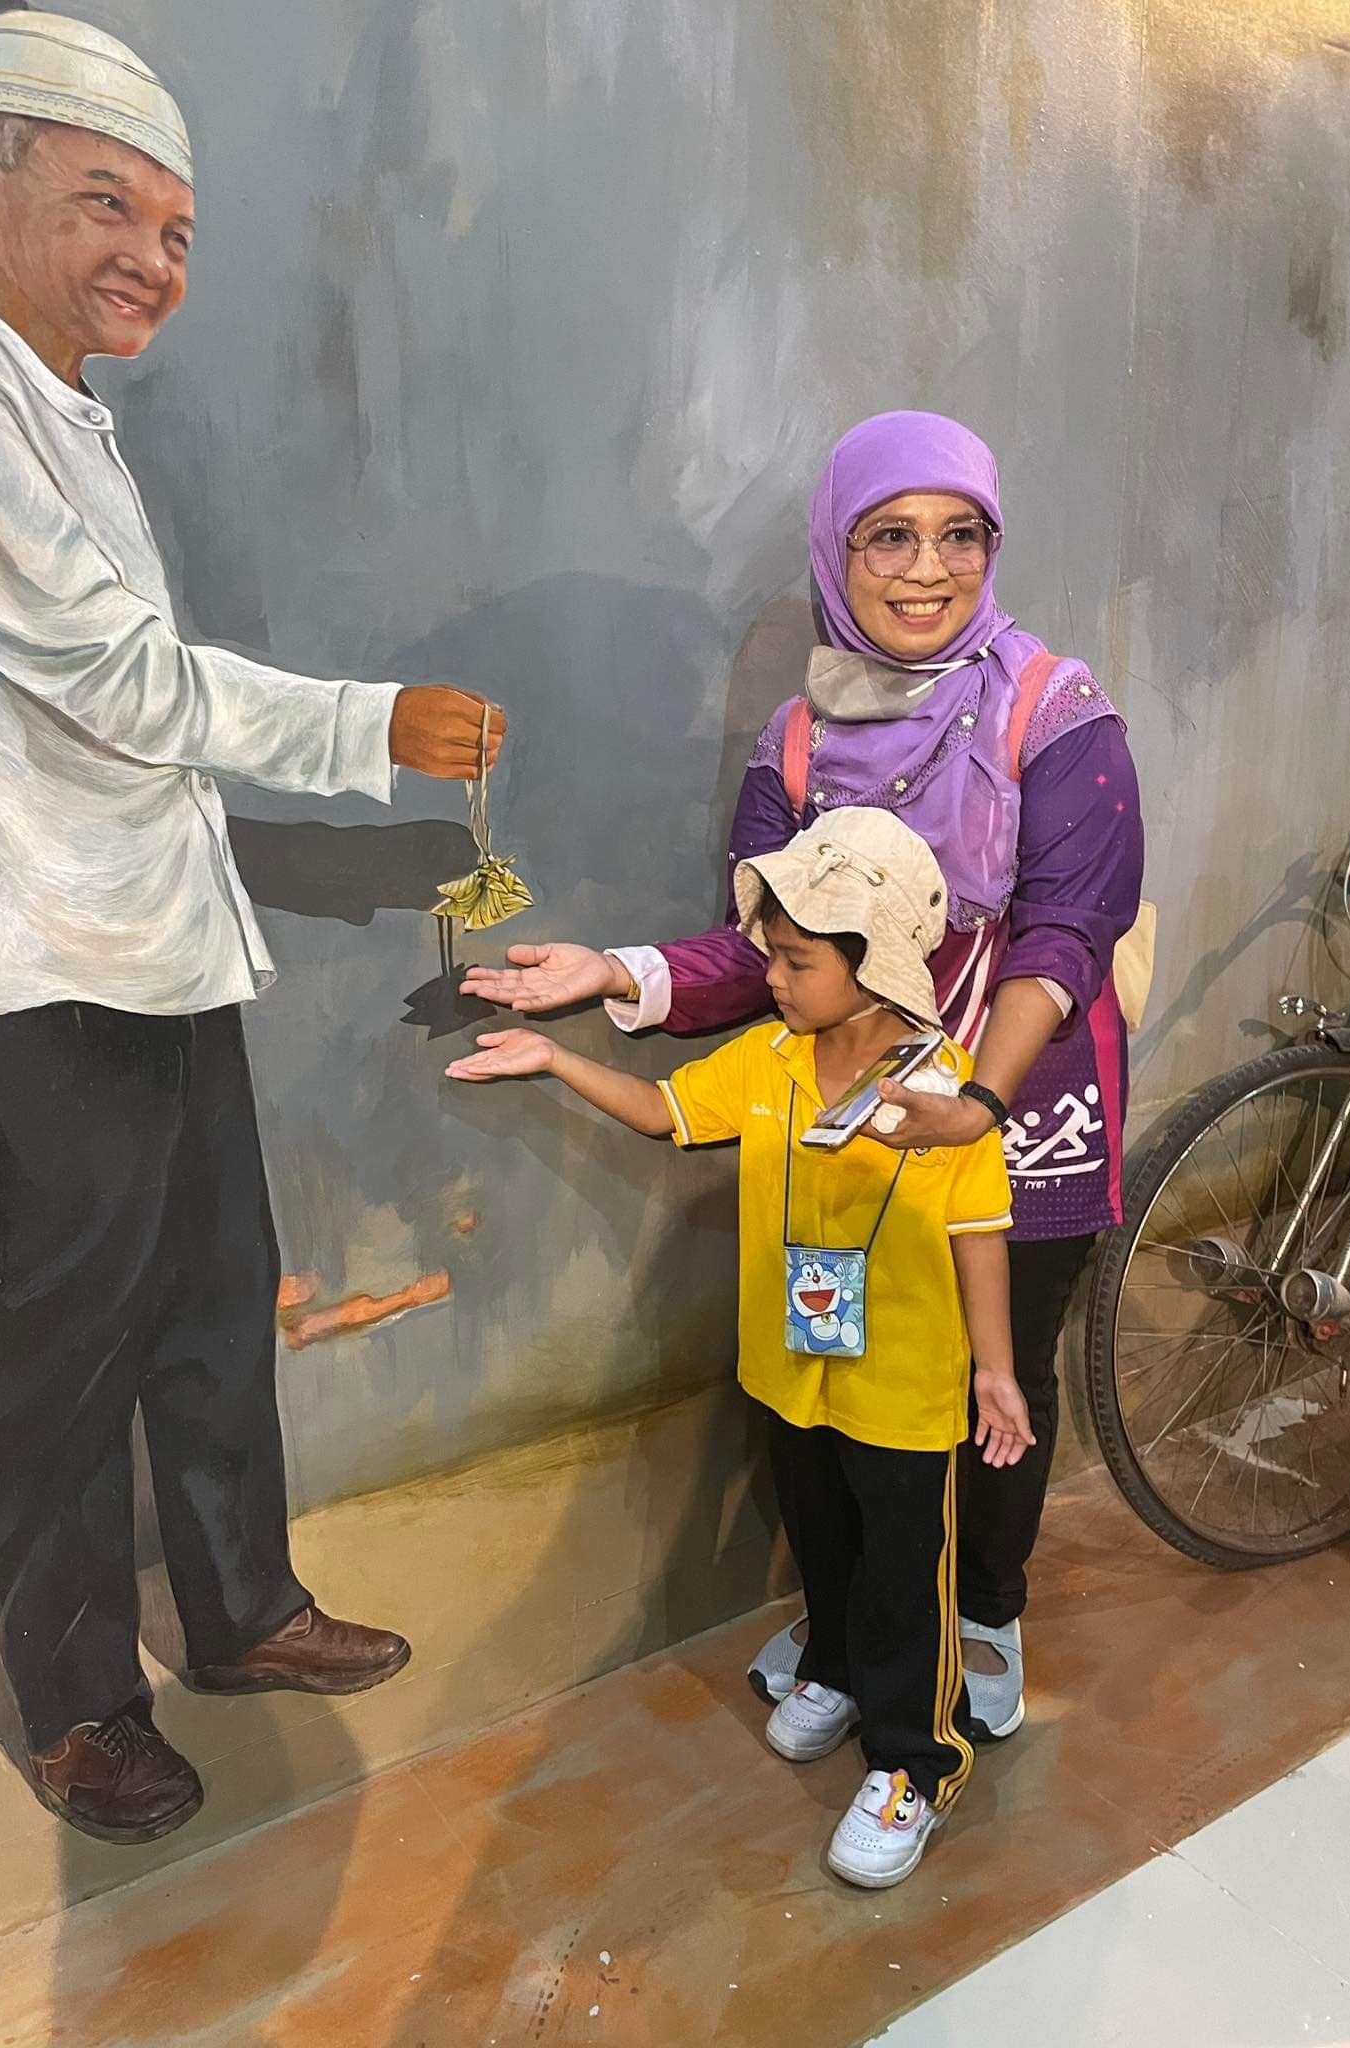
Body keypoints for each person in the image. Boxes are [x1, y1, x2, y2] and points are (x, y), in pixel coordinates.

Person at [0, 12, 508, 1846]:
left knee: (214, 1279)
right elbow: (122, 684)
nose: (151, 258)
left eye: (178, 232)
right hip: (22, 954)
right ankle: (76, 1705)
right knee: (72, 1330)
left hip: (140, 932)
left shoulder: (40, 395)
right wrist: (372, 725)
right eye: (106, 205)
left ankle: (241, 1607)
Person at [465, 412, 1143, 1741]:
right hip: (848, 1121)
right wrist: (616, 973)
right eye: (890, 536)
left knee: (993, 1375)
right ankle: (866, 1619)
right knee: (851, 1387)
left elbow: (1065, 934)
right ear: (838, 550)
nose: (927, 568)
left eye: (960, 535)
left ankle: (981, 1608)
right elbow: (761, 945)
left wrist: (974, 1106)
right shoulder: (798, 739)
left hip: (1016, 1114)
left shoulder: (1055, 713)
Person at [449, 807, 1028, 1888]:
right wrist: (556, 1059)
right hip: (790, 1371)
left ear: (874, 965)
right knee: (823, 1540)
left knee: (907, 1576)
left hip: (904, 1390)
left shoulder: (945, 1095)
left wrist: (994, 1370)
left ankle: (914, 1762)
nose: (772, 976)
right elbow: (664, 1110)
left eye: (798, 961)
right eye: (773, 952)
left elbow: (980, 1232)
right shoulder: (767, 1058)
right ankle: (836, 1670)